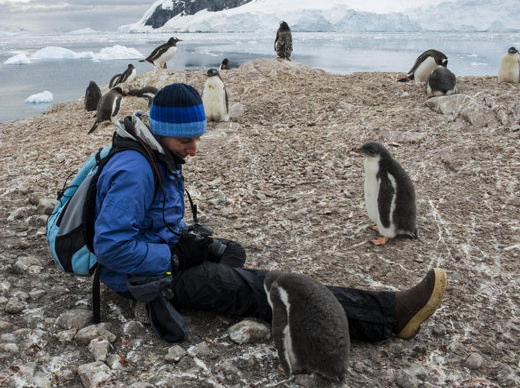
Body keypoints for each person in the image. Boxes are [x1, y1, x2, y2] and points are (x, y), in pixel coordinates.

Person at [92, 83, 446, 342]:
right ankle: (389, 314)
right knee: (265, 287)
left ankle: (225, 292)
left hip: (161, 254)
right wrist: (175, 255)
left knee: (232, 253)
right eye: (187, 141)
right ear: (164, 132)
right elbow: (110, 248)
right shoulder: (134, 170)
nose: (194, 150)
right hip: (139, 276)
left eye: (197, 139)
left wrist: (184, 238)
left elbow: (150, 217)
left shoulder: (157, 151)